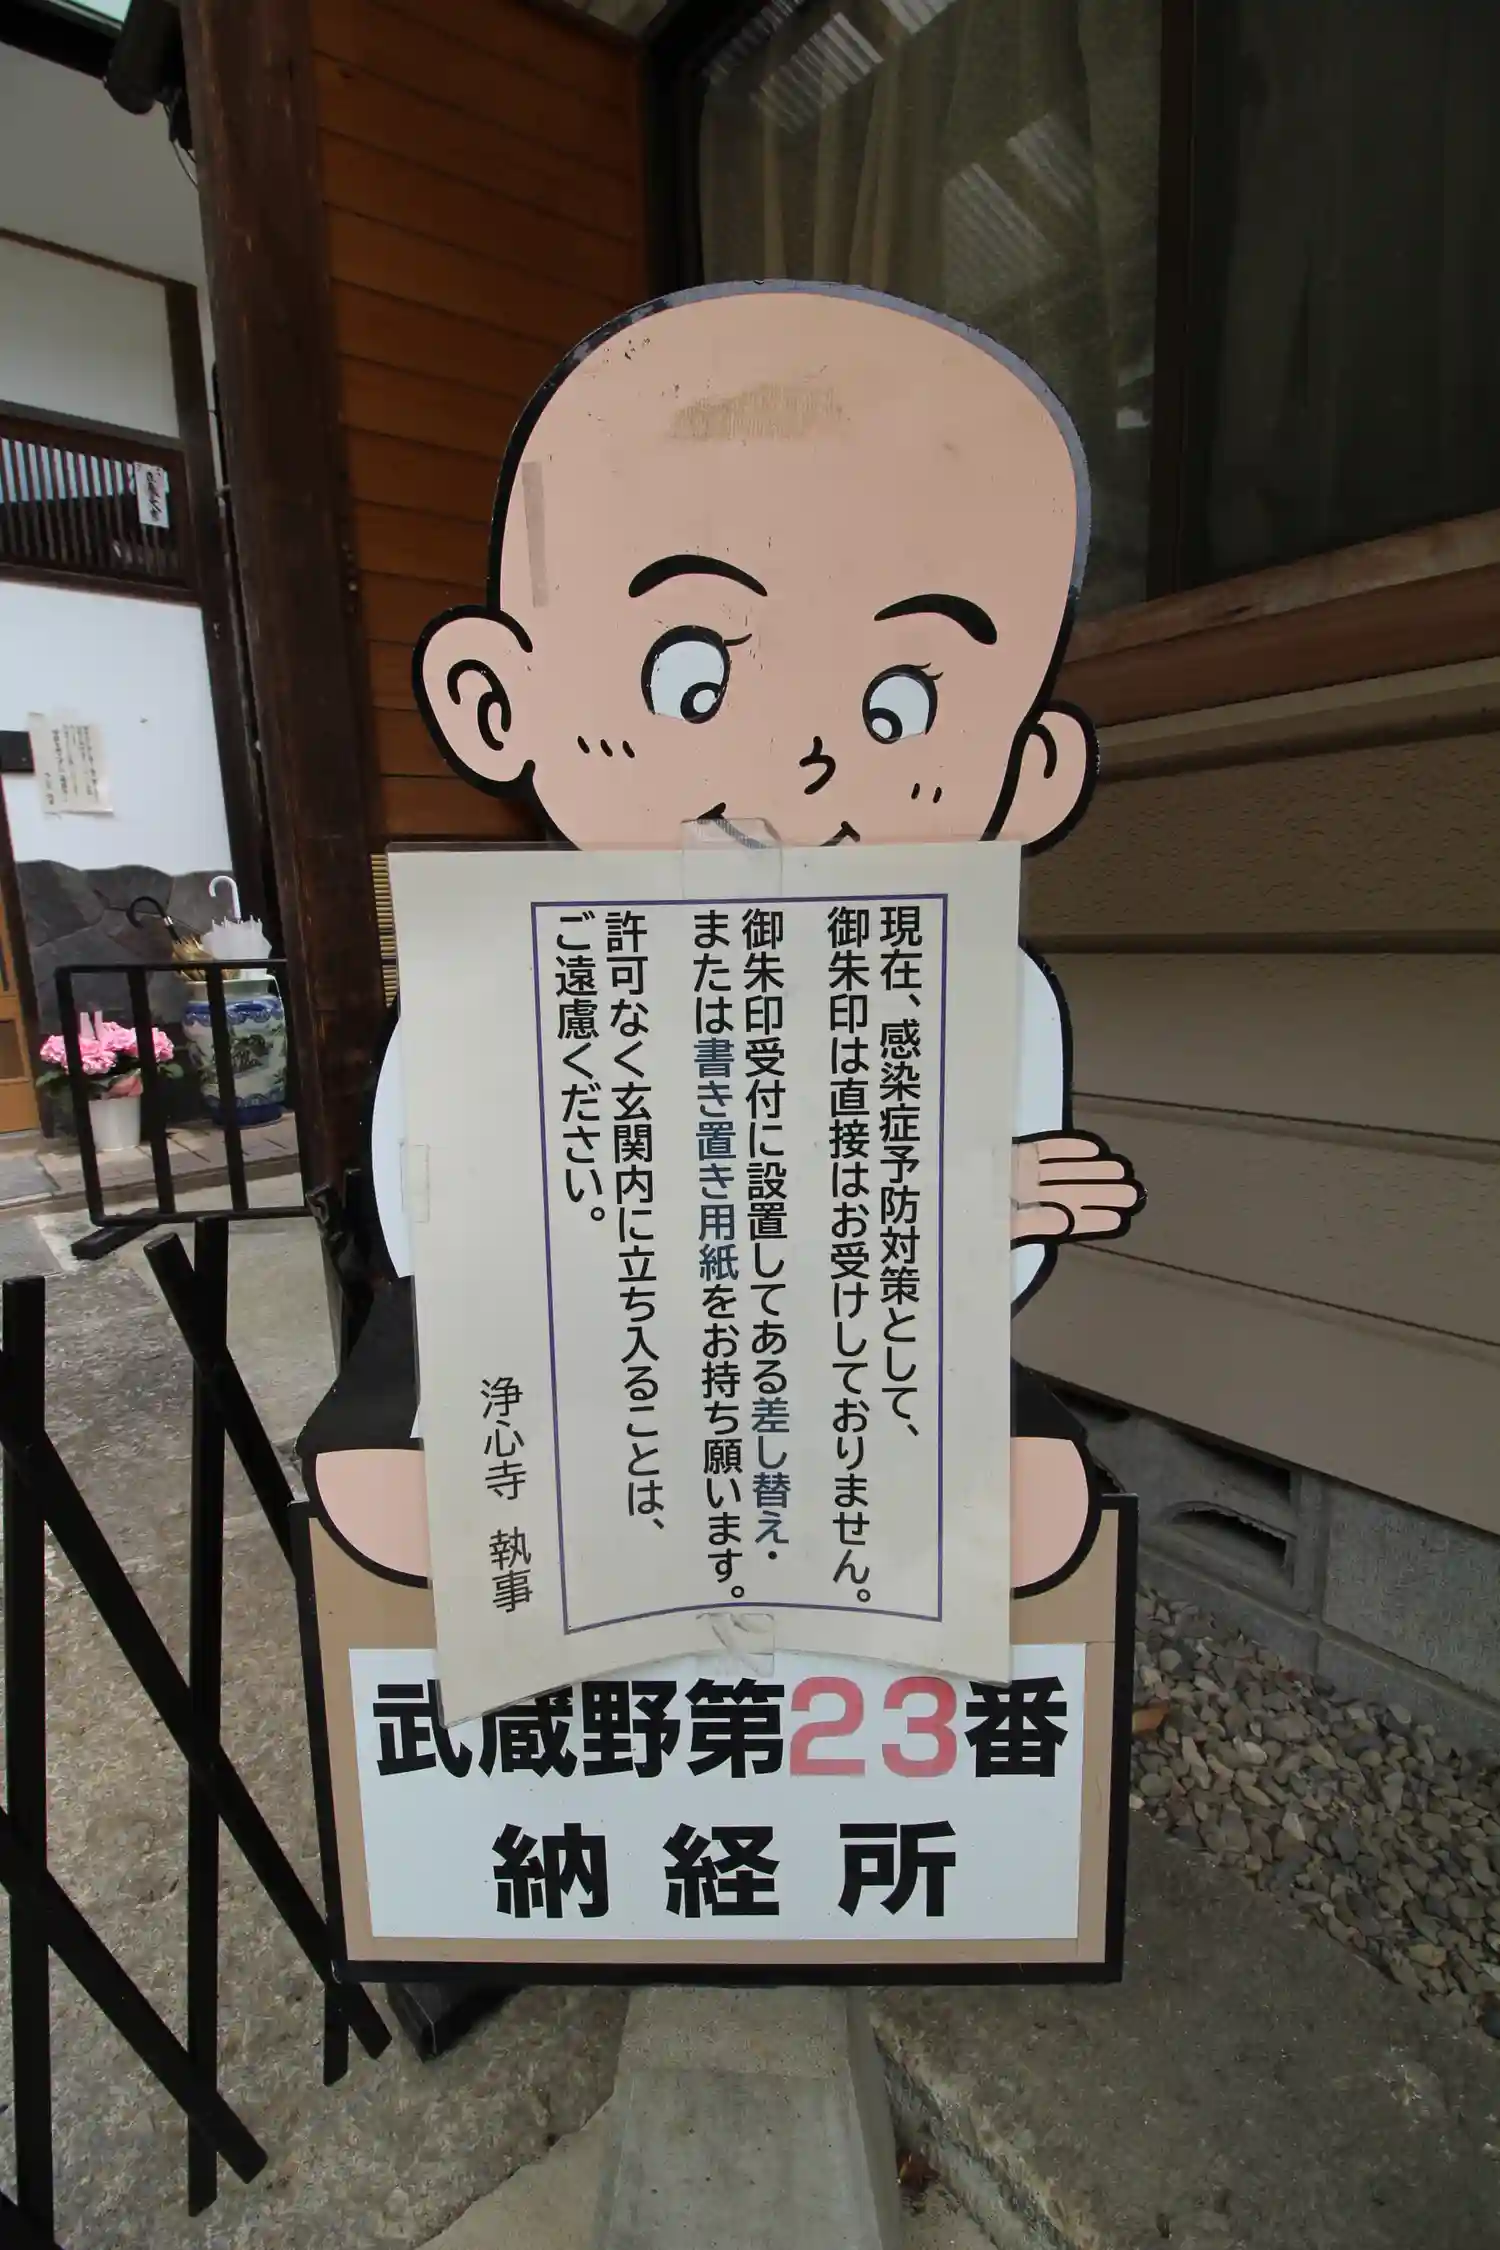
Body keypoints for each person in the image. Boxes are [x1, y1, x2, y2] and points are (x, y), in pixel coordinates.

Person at [300, 281, 1142, 1602]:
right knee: (402, 1441)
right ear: (496, 699)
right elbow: (437, 1224)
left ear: (1029, 773)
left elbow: (976, 1275)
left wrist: (987, 1206)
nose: (804, 759)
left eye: (899, 703)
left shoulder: (982, 987)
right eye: (691, 675)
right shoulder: (500, 974)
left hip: (860, 1352)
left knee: (1025, 1484)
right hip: (588, 1348)